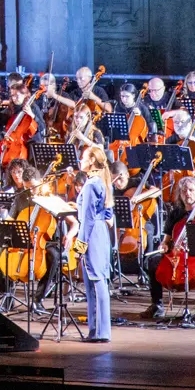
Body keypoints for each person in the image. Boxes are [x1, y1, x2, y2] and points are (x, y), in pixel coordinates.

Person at [75, 145, 116, 342]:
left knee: (97, 282)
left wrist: (79, 246)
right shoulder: (103, 181)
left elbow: (88, 219)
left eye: (84, 157)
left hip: (92, 235)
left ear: (92, 161)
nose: (80, 160)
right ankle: (95, 331)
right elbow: (107, 213)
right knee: (95, 282)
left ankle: (101, 332)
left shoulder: (91, 184)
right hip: (101, 233)